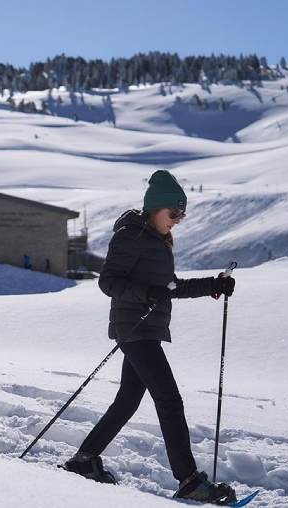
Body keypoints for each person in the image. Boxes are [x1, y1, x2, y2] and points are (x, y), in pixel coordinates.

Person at [61, 170, 237, 504]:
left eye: (181, 215)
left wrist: (213, 285)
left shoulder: (158, 243)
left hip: (146, 331)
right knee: (169, 400)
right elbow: (109, 282)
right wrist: (147, 293)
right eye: (174, 213)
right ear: (155, 208)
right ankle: (188, 480)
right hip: (135, 330)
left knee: (128, 399)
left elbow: (170, 288)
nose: (178, 221)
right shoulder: (130, 236)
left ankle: (83, 460)